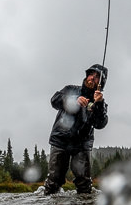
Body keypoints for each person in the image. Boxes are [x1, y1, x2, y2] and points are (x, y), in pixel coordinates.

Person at [42, 64, 108, 194]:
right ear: (86, 75)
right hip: (60, 141)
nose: (92, 78)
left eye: (97, 77)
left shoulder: (100, 102)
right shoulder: (70, 89)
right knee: (53, 182)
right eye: (91, 74)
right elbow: (54, 100)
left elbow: (100, 123)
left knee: (84, 184)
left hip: (82, 145)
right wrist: (73, 100)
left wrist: (98, 104)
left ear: (101, 83)